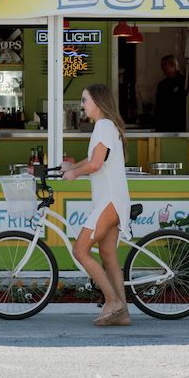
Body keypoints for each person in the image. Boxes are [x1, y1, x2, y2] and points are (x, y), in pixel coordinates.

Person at [61, 83, 133, 326]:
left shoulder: (103, 126)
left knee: (80, 250)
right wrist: (71, 166)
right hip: (113, 200)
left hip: (109, 201)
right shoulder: (107, 126)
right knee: (108, 256)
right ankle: (122, 314)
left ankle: (112, 302)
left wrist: (74, 173)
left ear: (98, 102)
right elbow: (93, 159)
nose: (82, 105)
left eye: (85, 100)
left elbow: (95, 165)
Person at [154, 55, 188, 132]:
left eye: (164, 65)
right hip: (164, 125)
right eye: (161, 65)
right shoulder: (162, 85)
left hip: (180, 124)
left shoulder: (183, 82)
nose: (162, 68)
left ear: (173, 65)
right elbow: (158, 107)